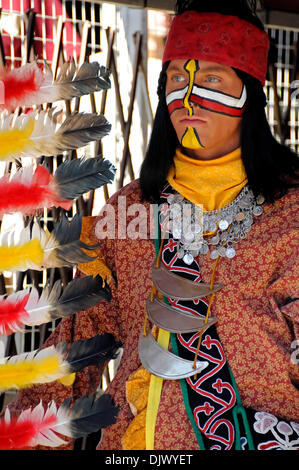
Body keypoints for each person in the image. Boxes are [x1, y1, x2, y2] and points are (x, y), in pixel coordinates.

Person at [10, 0, 299, 451]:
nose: (187, 98)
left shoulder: (292, 212)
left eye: (210, 80)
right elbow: (73, 347)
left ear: (250, 93)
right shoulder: (130, 211)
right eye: (177, 79)